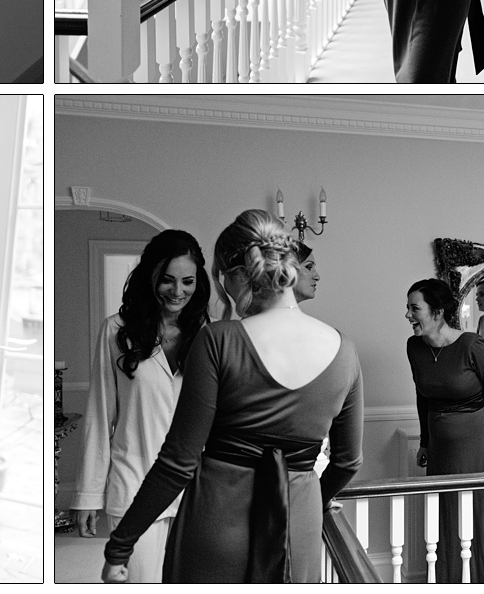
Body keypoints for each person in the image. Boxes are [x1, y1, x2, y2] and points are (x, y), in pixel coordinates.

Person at [103, 210, 364, 582]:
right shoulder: (345, 350)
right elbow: (348, 462)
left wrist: (120, 545)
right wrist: (307, 501)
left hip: (217, 522)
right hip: (298, 527)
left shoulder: (220, 339)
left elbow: (178, 461)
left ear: (234, 274)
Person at [71, 230, 211, 582]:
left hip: (197, 492)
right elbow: (100, 416)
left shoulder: (210, 334)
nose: (177, 291)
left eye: (187, 281)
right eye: (167, 280)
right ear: (150, 277)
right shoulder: (117, 331)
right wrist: (88, 494)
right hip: (134, 488)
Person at [406, 278, 484, 582]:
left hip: (477, 443)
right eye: (407, 308)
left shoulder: (472, 345)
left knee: (482, 518)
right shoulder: (414, 347)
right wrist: (424, 441)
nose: (408, 315)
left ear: (438, 311)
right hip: (440, 447)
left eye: (414, 308)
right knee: (445, 517)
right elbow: (422, 395)